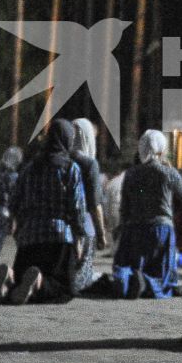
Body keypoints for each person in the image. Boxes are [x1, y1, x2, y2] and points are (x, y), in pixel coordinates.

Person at [0, 120, 88, 304]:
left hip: (30, 237)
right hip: (58, 238)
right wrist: (80, 236)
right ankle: (39, 283)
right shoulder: (70, 168)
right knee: (64, 288)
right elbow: (77, 207)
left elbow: (15, 200)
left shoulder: (29, 168)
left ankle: (9, 278)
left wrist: (16, 226)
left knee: (22, 278)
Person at [91, 129, 182, 299]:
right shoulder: (167, 172)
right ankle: (146, 283)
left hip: (134, 231)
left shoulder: (131, 174)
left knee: (135, 267)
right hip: (160, 230)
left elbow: (125, 206)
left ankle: (126, 283)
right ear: (161, 149)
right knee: (163, 278)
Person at [70, 118, 110, 291]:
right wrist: (102, 234)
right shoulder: (89, 164)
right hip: (85, 226)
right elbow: (95, 204)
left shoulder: (64, 159)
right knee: (82, 278)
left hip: (63, 227)